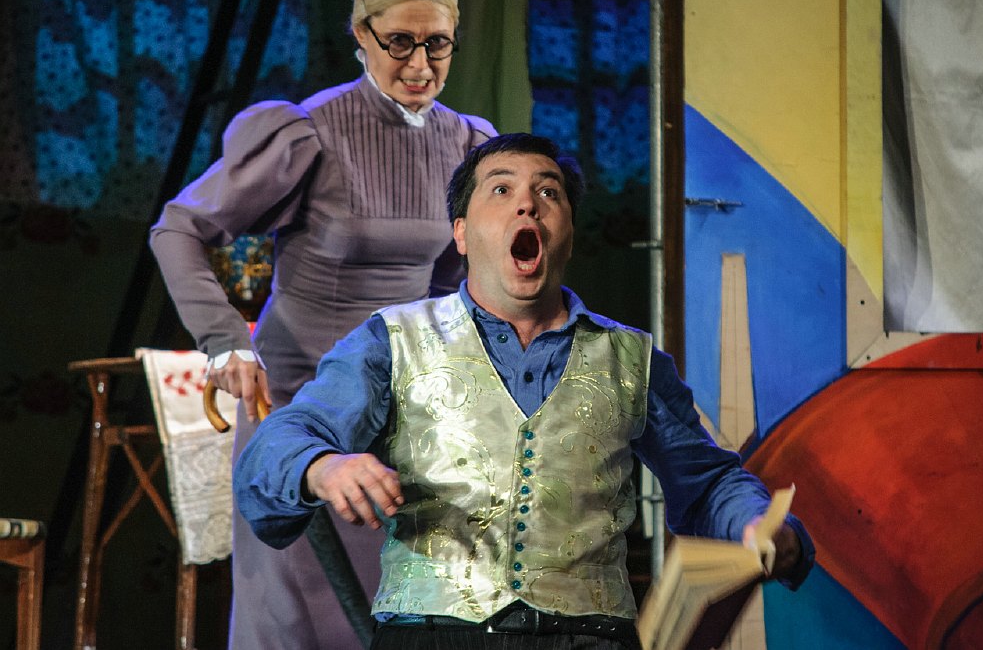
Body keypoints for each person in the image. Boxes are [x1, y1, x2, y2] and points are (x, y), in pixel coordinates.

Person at [233, 133, 815, 650]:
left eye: (548, 192)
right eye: (501, 189)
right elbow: (278, 444)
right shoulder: (392, 341)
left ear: (568, 235)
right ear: (461, 234)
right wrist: (323, 467)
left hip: (590, 639)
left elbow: (709, 482)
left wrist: (760, 526)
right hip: (432, 638)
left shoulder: (632, 360)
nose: (527, 203)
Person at [149, 0, 496, 650]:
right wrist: (225, 340)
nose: (420, 64)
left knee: (395, 611)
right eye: (400, 42)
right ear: (362, 34)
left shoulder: (468, 144)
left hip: (399, 413)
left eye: (437, 43)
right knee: (295, 616)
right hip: (297, 407)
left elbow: (446, 284)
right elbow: (178, 228)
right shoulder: (309, 133)